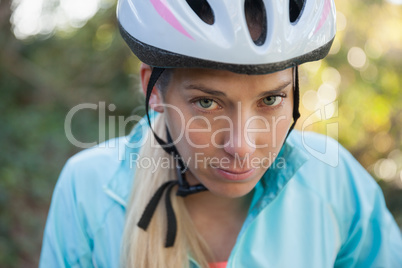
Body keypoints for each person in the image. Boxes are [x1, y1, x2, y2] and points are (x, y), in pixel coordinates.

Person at [39, 0, 402, 267]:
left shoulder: (334, 180)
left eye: (271, 99)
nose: (241, 147)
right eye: (207, 104)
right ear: (154, 91)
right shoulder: (86, 190)